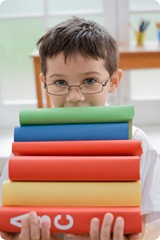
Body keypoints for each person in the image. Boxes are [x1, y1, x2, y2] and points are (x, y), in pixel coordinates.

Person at [0, 16, 160, 240]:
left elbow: (139, 229)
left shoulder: (136, 144)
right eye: (60, 82)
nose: (75, 97)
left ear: (113, 81)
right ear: (44, 83)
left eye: (90, 81)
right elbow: (9, 224)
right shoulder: (29, 143)